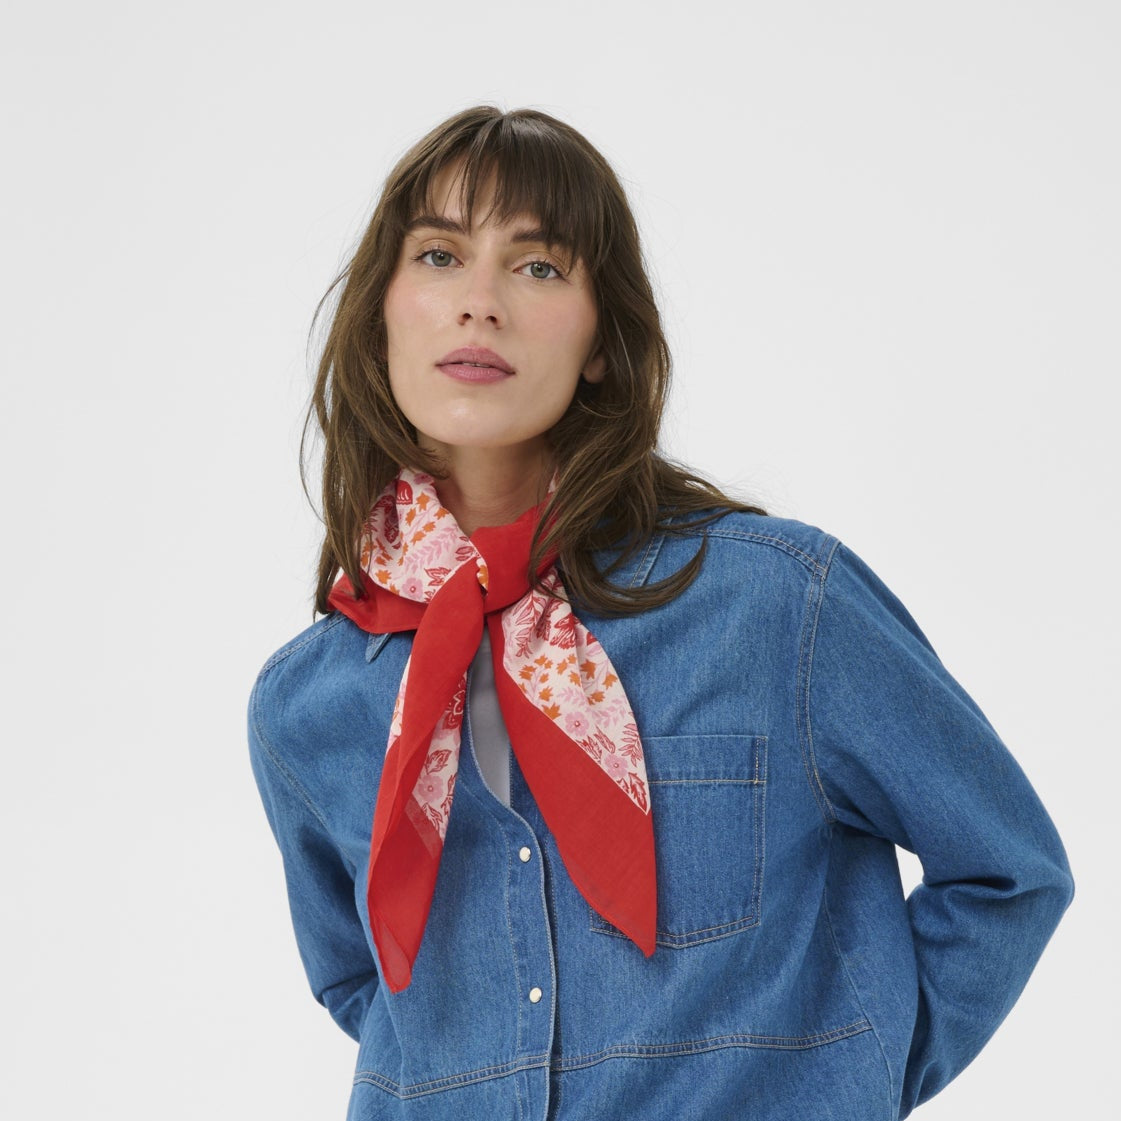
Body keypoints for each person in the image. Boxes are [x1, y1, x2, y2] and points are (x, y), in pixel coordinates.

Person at [248, 105, 1073, 1121]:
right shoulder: (308, 700)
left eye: (538, 265)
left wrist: (835, 1084)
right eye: (438, 255)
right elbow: (364, 988)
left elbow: (1007, 871)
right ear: (382, 314)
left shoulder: (773, 606)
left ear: (602, 341)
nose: (479, 304)